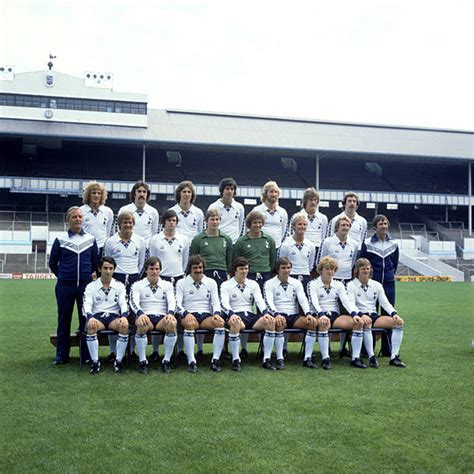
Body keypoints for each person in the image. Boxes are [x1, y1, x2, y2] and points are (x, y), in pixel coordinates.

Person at [49, 206, 99, 365]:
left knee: (85, 321)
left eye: (80, 217)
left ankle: (86, 355)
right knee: (64, 320)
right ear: (68, 220)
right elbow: (52, 263)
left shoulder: (90, 239)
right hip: (65, 287)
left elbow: (94, 262)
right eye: (74, 217)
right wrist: (64, 277)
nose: (78, 219)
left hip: (85, 287)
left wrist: (85, 278)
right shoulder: (60, 239)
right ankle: (62, 355)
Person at [347, 258, 406, 367]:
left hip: (374, 316)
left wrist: (394, 314)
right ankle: (371, 357)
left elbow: (385, 303)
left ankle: (394, 357)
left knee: (399, 323)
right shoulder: (351, 285)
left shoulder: (377, 285)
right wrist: (361, 315)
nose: (366, 271)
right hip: (359, 315)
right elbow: (351, 304)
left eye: (367, 269)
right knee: (367, 323)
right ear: (357, 271)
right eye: (363, 269)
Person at [103, 211, 146, 360]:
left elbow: (141, 264)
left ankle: (131, 350)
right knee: (115, 313)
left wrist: (134, 276)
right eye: (125, 222)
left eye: (130, 223)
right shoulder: (110, 242)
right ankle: (114, 351)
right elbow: (107, 261)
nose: (128, 225)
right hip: (116, 279)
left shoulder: (140, 241)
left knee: (133, 315)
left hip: (133, 278)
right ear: (119, 224)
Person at [148, 209, 190, 361]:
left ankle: (179, 350)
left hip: (178, 279)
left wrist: (180, 274)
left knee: (177, 315)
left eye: (174, 220)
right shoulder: (155, 240)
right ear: (163, 222)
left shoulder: (183, 240)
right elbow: (152, 260)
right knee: (158, 313)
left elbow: (185, 261)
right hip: (161, 279)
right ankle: (154, 350)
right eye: (169, 220)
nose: (172, 223)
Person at [307, 256, 361, 370]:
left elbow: (346, 301)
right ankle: (325, 359)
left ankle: (355, 358)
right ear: (321, 270)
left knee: (358, 323)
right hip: (319, 313)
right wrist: (321, 315)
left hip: (334, 315)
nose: (330, 271)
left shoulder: (338, 284)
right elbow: (314, 302)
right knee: (323, 324)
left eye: (332, 269)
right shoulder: (313, 284)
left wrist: (355, 314)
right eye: (327, 269)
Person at [263, 257, 317, 370]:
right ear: (277, 269)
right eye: (283, 268)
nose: (286, 270)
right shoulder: (269, 283)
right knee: (279, 324)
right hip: (279, 314)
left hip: (293, 315)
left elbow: (303, 299)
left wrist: (308, 313)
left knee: (312, 323)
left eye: (288, 268)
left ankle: (307, 358)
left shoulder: (296, 283)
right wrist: (276, 314)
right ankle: (280, 358)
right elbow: (268, 301)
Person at [220, 257, 272, 371]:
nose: (244, 271)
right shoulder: (226, 285)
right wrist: (232, 314)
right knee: (234, 323)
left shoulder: (253, 284)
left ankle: (266, 359)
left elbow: (259, 300)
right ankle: (236, 359)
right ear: (235, 270)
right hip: (236, 315)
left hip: (250, 315)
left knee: (270, 322)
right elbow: (224, 303)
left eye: (246, 268)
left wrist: (265, 312)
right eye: (241, 269)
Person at [175, 256, 224, 373]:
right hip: (189, 314)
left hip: (206, 315)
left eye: (200, 267)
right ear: (190, 269)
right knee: (189, 324)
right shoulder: (181, 282)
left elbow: (216, 302)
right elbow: (177, 304)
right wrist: (186, 313)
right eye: (195, 268)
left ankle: (215, 360)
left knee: (220, 323)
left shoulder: (211, 282)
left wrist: (216, 313)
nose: (198, 270)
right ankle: (192, 361)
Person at [360, 214, 399, 356]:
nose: (384, 226)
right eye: (381, 224)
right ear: (375, 227)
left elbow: (394, 264)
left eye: (386, 223)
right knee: (369, 314)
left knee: (388, 315)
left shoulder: (394, 244)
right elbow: (362, 262)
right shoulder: (367, 243)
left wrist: (388, 276)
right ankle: (367, 349)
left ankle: (387, 349)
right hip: (371, 284)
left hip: (388, 285)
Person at [130, 257, 178, 374]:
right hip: (145, 316)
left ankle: (166, 361)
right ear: (146, 270)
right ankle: (143, 361)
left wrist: (171, 313)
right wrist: (140, 313)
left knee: (172, 323)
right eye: (151, 269)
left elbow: (173, 301)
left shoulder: (167, 285)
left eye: (157, 269)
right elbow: (133, 301)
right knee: (141, 324)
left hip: (162, 317)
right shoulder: (137, 285)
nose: (154, 272)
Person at [83, 257, 129, 374]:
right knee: (91, 326)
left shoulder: (119, 286)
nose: (108, 271)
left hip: (114, 316)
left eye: (111, 268)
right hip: (97, 317)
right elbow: (86, 304)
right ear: (99, 269)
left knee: (124, 326)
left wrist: (124, 316)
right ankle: (95, 362)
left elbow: (124, 303)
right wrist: (90, 317)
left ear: (114, 270)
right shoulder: (91, 286)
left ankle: (118, 361)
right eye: (105, 268)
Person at [233, 210, 276, 291]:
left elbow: (273, 259)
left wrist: (269, 272)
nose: (258, 225)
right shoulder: (241, 242)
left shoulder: (269, 240)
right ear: (249, 224)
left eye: (260, 222)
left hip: (265, 274)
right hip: (249, 275)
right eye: (255, 222)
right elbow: (237, 261)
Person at [190, 208, 233, 287]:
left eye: (217, 219)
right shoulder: (198, 239)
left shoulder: (227, 239)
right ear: (206, 221)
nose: (215, 222)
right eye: (212, 219)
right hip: (204, 272)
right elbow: (192, 259)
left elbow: (229, 261)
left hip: (222, 272)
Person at [278, 213, 316, 289]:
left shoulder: (311, 245)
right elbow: (281, 262)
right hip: (290, 276)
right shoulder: (286, 245)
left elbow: (310, 265)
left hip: (306, 277)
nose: (302, 227)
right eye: (300, 224)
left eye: (304, 224)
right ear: (294, 226)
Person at [319, 216, 359, 285]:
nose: (345, 227)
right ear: (337, 227)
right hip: (331, 278)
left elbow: (353, 262)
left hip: (347, 279)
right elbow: (320, 262)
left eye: (347, 225)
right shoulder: (327, 242)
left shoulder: (354, 244)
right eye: (343, 225)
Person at [289, 187, 327, 257]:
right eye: (311, 200)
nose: (313, 202)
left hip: (318, 249)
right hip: (301, 247)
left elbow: (324, 236)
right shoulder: (296, 216)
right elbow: (291, 234)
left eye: (315, 200)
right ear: (305, 201)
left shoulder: (323, 218)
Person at [80, 180, 114, 256]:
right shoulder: (81, 211)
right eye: (94, 193)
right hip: (86, 247)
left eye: (99, 193)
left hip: (102, 248)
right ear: (89, 195)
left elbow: (108, 231)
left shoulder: (108, 212)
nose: (96, 195)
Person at [207, 177, 245, 244]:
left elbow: (241, 226)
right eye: (227, 189)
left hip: (234, 243)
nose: (229, 191)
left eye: (232, 189)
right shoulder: (213, 207)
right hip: (218, 242)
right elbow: (208, 226)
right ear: (222, 190)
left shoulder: (239, 207)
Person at [252, 181, 288, 249]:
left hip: (277, 247)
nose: (274, 194)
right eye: (271, 192)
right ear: (265, 193)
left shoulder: (283, 212)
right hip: (260, 247)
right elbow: (250, 229)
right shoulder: (257, 210)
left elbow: (284, 231)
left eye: (275, 192)